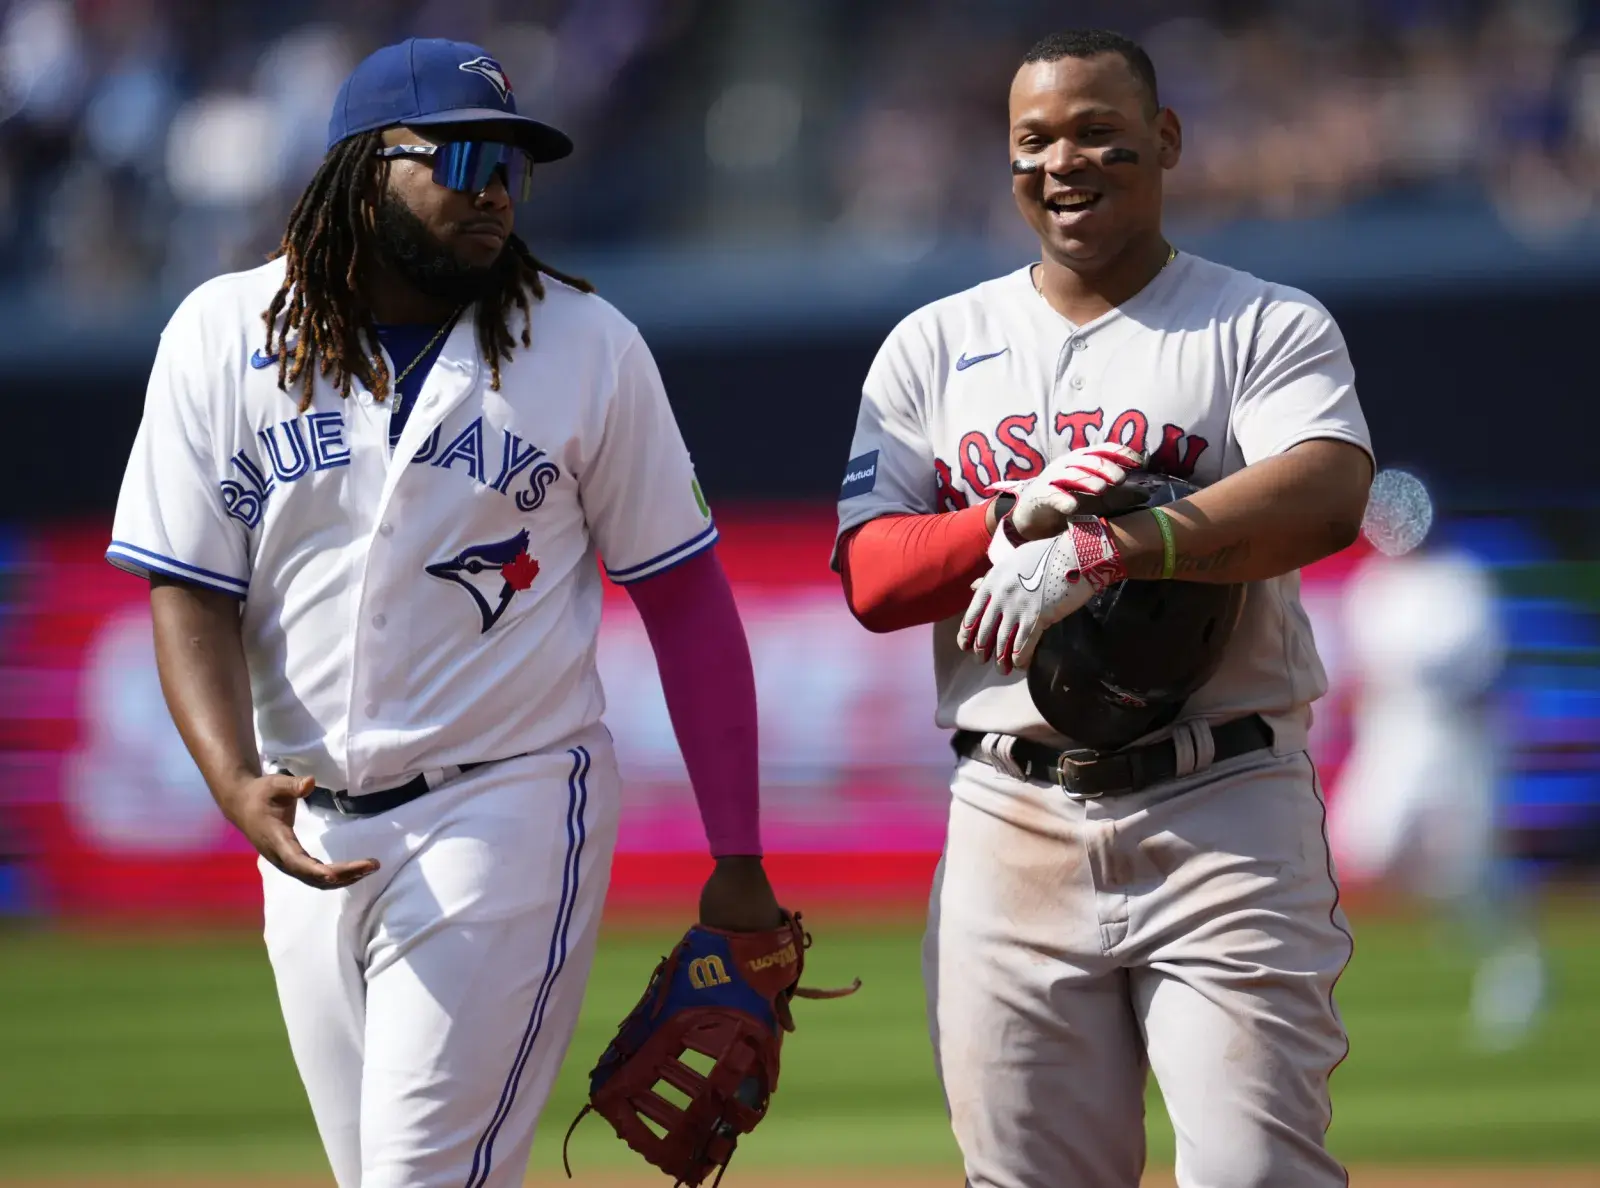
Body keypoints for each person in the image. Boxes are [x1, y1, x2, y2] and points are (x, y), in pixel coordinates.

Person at [106, 37, 786, 1188]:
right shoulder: (221, 336)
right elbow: (190, 588)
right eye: (464, 159)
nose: (495, 192)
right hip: (311, 831)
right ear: (363, 168)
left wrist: (738, 854)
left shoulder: (586, 345)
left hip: (505, 804)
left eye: (514, 168)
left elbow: (684, 602)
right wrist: (232, 782)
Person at [832, 28, 1375, 1188]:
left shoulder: (1260, 322)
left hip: (1221, 806)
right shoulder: (934, 344)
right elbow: (870, 577)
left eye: (1095, 132)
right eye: (1033, 140)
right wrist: (1002, 523)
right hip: (1008, 813)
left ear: (1163, 139)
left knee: (1255, 1173)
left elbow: (1328, 491)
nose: (1062, 162)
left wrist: (1102, 548)